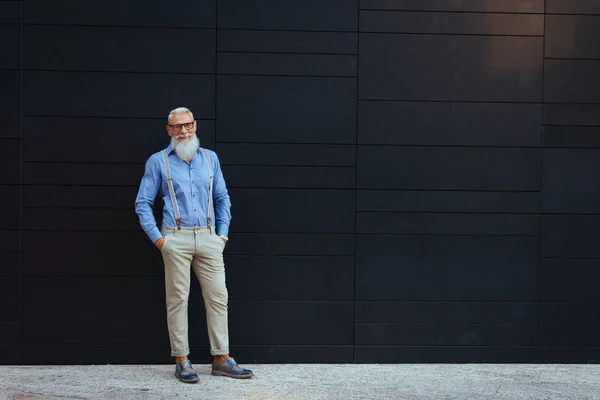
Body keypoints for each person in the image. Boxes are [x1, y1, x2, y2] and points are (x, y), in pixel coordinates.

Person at [135, 107, 253, 382]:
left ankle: (221, 358)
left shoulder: (210, 159)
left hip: (209, 237)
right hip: (175, 238)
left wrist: (221, 234)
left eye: (188, 125)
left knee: (218, 298)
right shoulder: (158, 161)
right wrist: (160, 240)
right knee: (177, 300)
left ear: (195, 126)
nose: (183, 131)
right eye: (177, 127)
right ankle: (182, 360)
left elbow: (223, 198)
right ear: (169, 130)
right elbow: (143, 203)